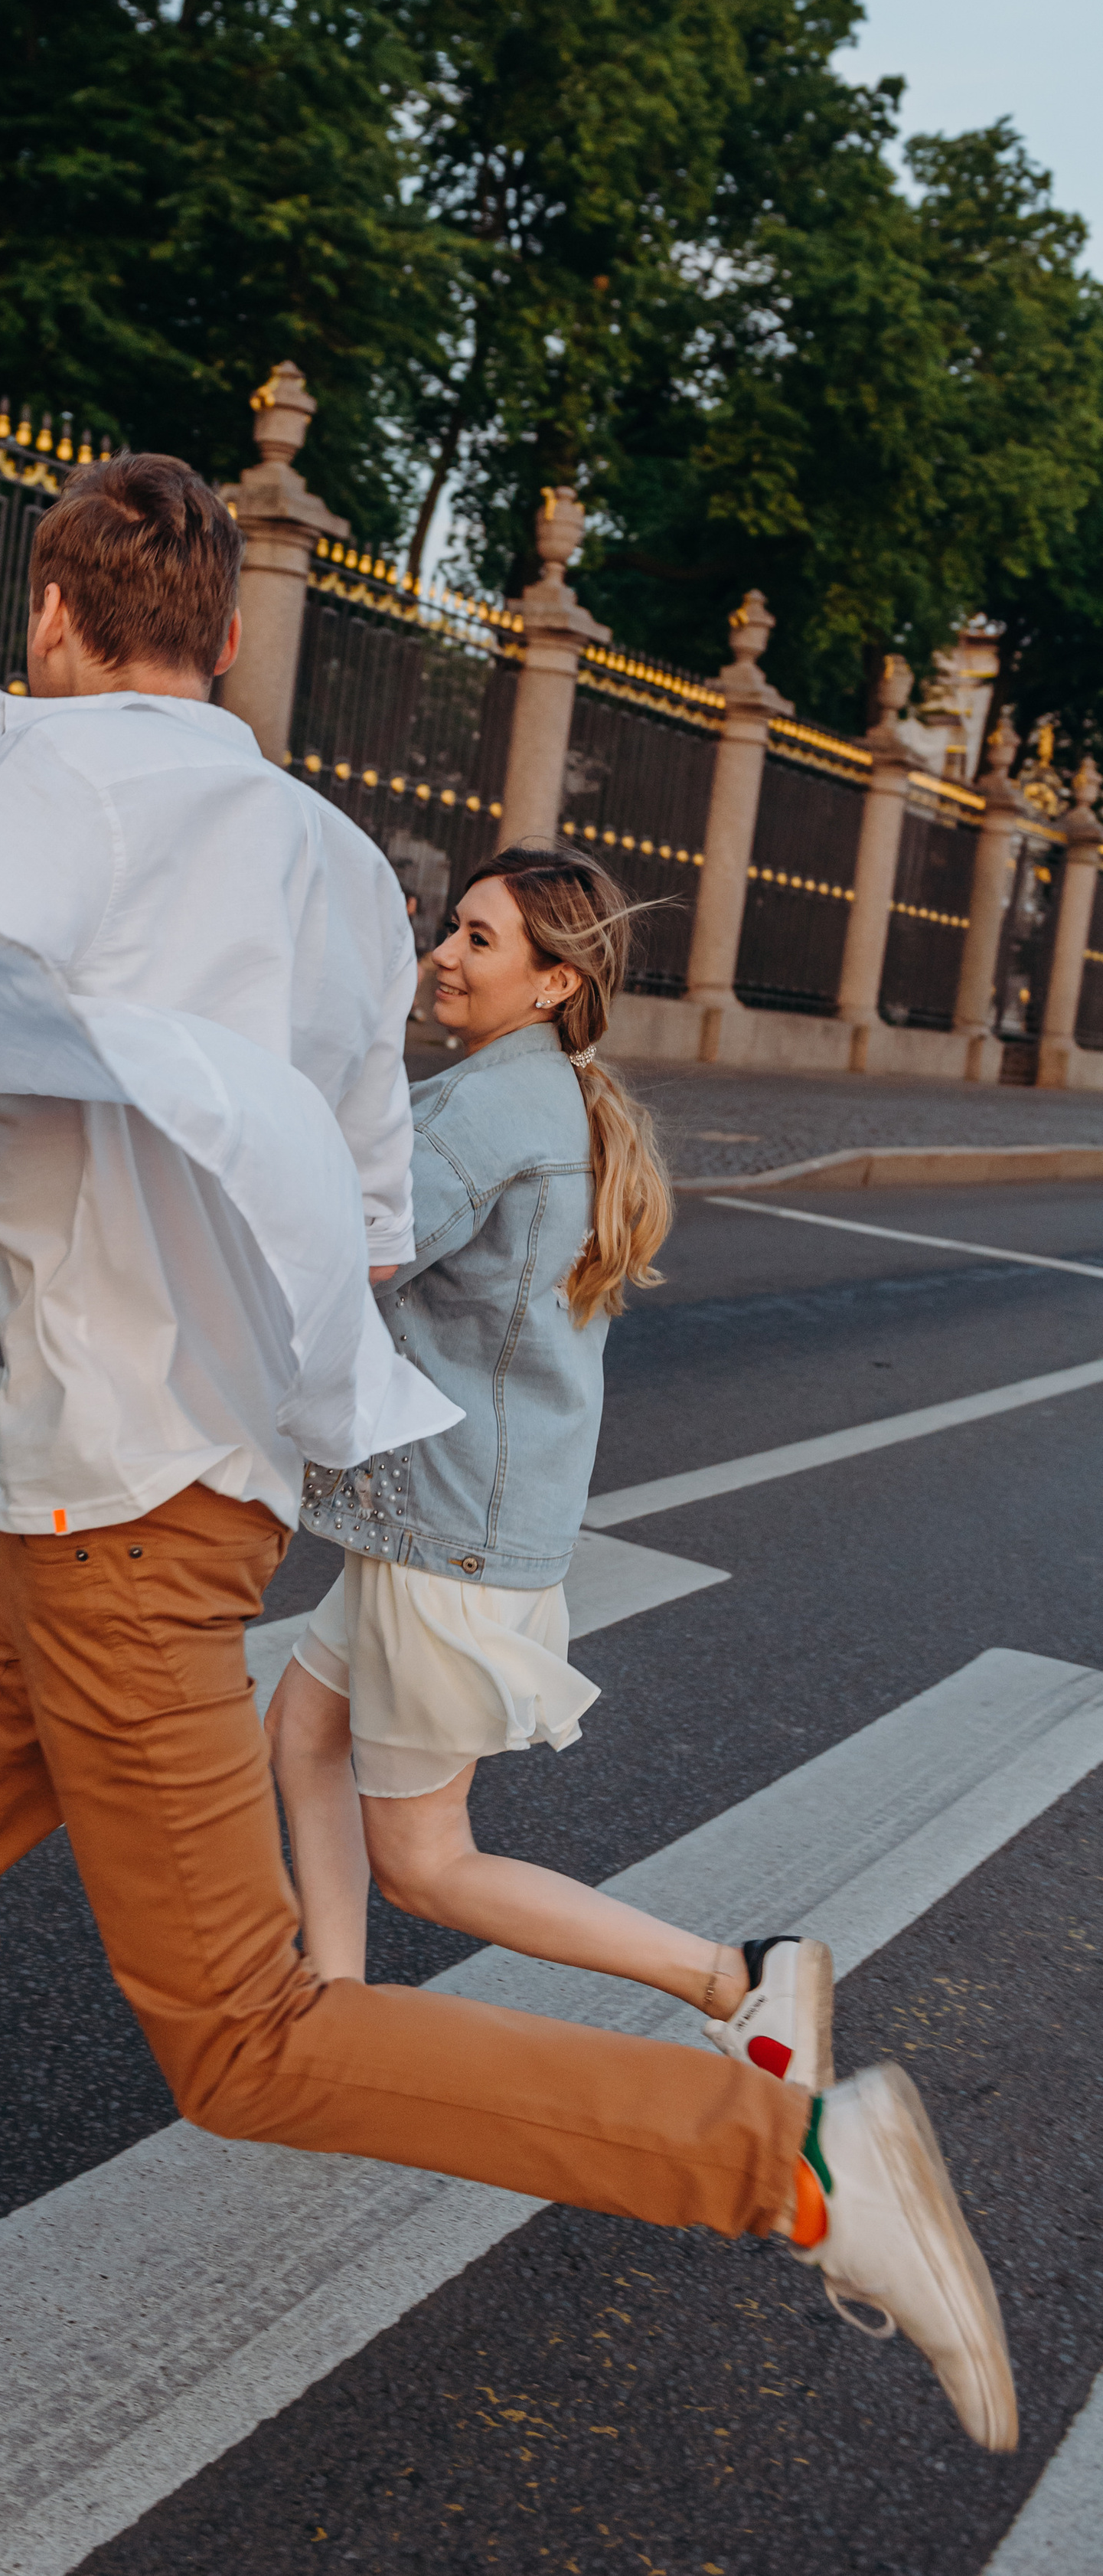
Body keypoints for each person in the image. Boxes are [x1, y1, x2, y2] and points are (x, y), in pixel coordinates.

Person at [0, 455, 1016, 2457]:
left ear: (51, 619)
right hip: (172, 1499)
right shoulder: (318, 857)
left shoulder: (48, 770)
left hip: (113, 1514)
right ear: (227, 643)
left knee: (242, 2041)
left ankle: (789, 2159)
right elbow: (372, 1204)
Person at [268, 845, 832, 2091]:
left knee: (428, 1860)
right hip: (464, 1512)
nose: (445, 955)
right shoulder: (547, 1097)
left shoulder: (491, 1112)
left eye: (479, 939)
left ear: (552, 983)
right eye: (451, 930)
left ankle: (735, 1976)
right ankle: (338, 2008)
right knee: (305, 1728)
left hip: (449, 1528)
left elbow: (354, 1259)